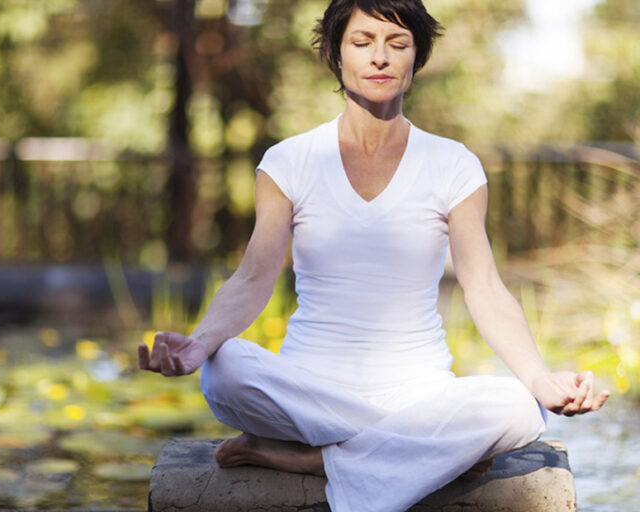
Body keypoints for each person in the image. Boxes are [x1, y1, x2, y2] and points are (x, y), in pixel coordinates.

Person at [138, 1, 610, 510]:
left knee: (520, 406)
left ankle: (316, 457)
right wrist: (200, 343)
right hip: (308, 388)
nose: (380, 57)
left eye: (398, 44)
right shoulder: (289, 161)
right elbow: (253, 277)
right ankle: (425, 452)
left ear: (416, 60)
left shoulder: (453, 164)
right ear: (336, 55)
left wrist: (541, 378)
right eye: (362, 43)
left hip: (420, 393)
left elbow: (485, 287)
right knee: (223, 369)